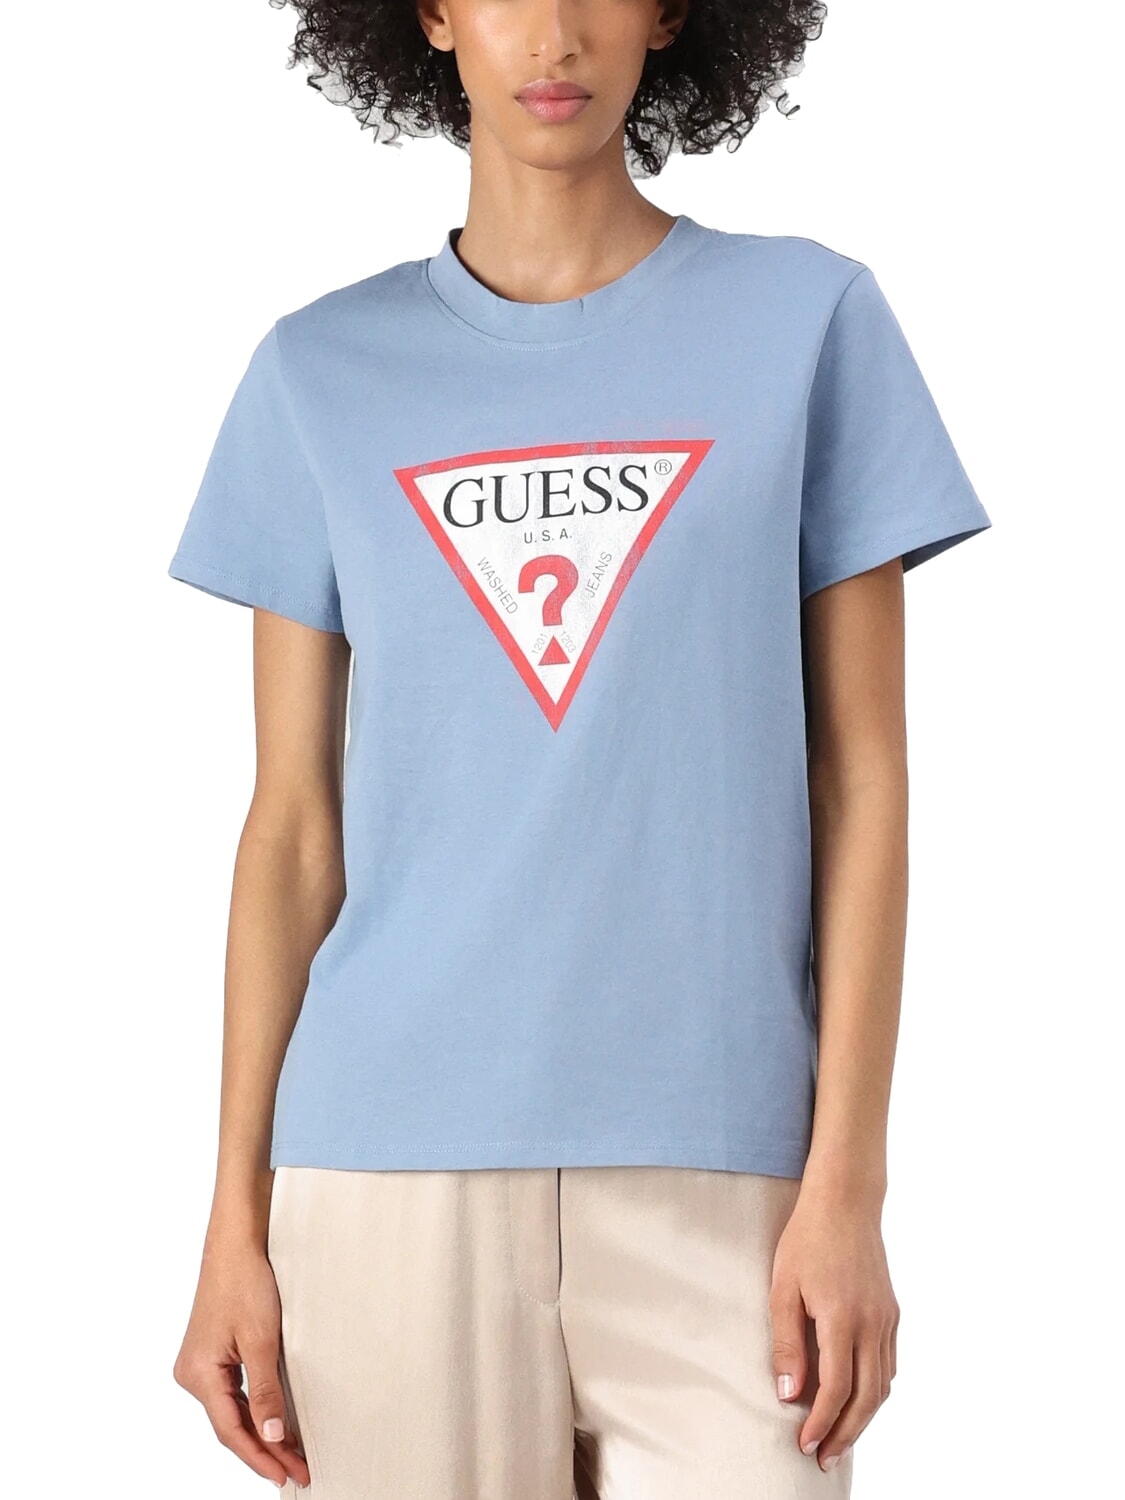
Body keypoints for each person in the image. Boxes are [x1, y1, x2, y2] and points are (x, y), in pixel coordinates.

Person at [167, 2, 992, 1496]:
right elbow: (290, 826)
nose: (551, 33)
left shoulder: (807, 321)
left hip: (732, 1181)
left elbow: (862, 778)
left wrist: (849, 1188)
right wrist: (232, 1217)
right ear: (427, 15)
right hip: (385, 1170)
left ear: (674, 11)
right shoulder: (318, 370)